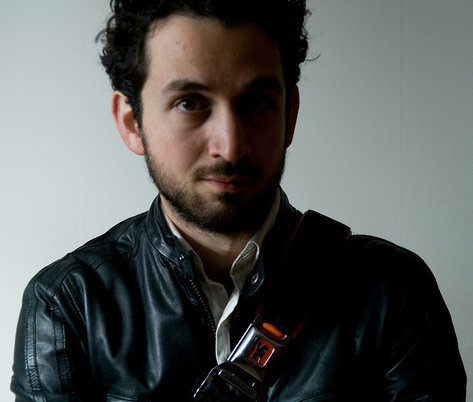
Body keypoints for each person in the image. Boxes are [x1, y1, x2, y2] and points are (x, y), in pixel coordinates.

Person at [11, 0, 466, 400]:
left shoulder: (392, 293)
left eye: (257, 103)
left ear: (290, 115)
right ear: (132, 123)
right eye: (191, 102)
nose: (230, 147)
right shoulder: (68, 305)